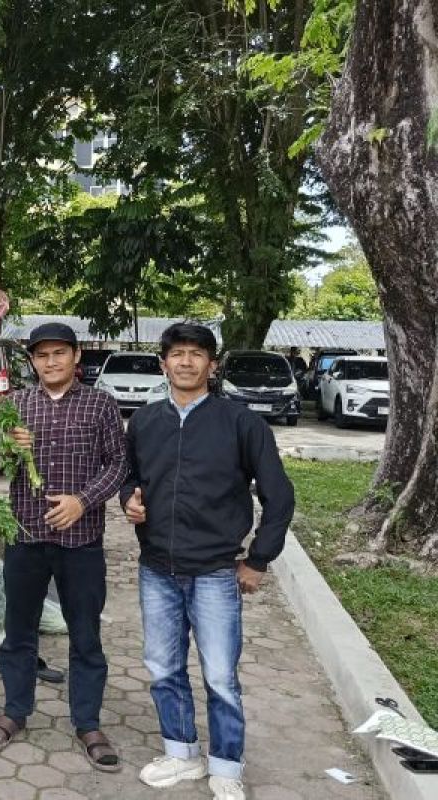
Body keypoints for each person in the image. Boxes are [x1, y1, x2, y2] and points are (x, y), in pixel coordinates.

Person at [122, 322, 295, 800]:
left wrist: (258, 560)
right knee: (163, 667)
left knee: (219, 675)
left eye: (197, 354)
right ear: (163, 363)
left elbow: (279, 497)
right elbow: (131, 476)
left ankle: (225, 767)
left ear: (211, 365)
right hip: (156, 567)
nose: (186, 362)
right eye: (176, 353)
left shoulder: (241, 424)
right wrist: (127, 500)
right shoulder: (145, 422)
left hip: (217, 571)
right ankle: (181, 755)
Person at [0, 323, 128, 772]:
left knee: (85, 634)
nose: (50, 362)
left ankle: (88, 723)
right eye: (41, 355)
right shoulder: (16, 404)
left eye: (59, 353)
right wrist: (5, 445)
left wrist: (82, 501)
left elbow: (119, 464)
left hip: (81, 541)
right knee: (18, 630)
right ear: (33, 361)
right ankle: (15, 711)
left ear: (76, 356)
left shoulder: (99, 403)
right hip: (25, 535)